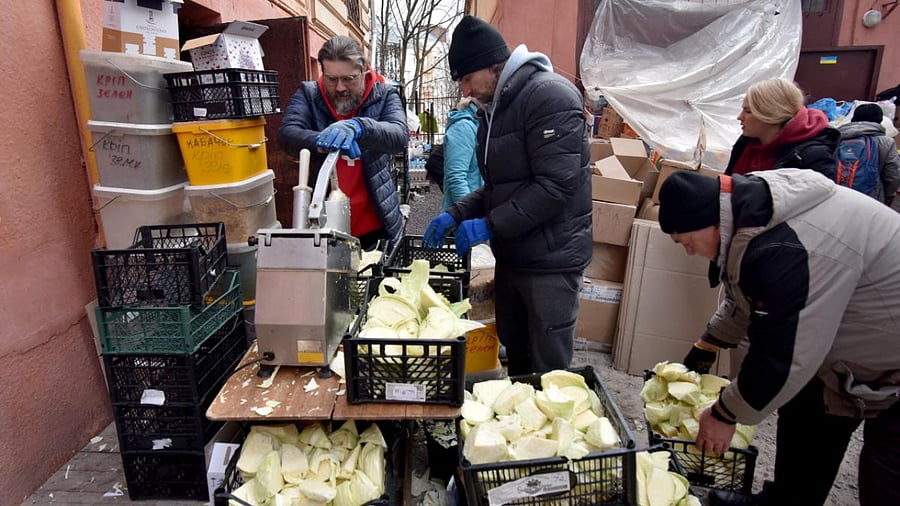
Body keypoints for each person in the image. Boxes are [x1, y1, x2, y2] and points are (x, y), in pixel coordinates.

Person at [658, 168, 900, 506]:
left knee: (886, 474)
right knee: (808, 412)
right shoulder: (751, 217)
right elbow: (748, 298)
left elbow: (786, 354)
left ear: (709, 223)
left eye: (686, 242)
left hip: (890, 355)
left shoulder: (785, 246)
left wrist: (725, 414)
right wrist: (710, 342)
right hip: (852, 350)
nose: (690, 252)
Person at [422, 15, 592, 375]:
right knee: (516, 353)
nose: (465, 90)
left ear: (491, 65)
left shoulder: (550, 96)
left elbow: (555, 186)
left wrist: (490, 224)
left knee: (549, 368)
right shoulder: (493, 109)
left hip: (551, 260)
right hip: (514, 255)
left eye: (467, 78)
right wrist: (457, 213)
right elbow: (499, 187)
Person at [278, 35, 407, 250]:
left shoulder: (384, 94)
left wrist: (361, 127)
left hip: (374, 223)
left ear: (364, 70)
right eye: (331, 79)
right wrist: (319, 142)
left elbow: (399, 135)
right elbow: (287, 134)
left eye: (349, 79)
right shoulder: (309, 94)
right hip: (324, 226)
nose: (339, 88)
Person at [725, 78, 840, 179]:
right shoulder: (746, 142)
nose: (739, 117)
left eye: (748, 111)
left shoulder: (812, 157)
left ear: (771, 114)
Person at [837, 103, 900, 206]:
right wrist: (889, 195)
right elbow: (892, 174)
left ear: (854, 118)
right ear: (879, 120)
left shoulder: (839, 137)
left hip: (838, 194)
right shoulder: (886, 142)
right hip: (870, 198)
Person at [441, 96, 483, 211]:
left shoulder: (480, 124)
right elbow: (456, 177)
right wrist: (471, 213)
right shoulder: (463, 127)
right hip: (464, 216)